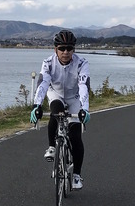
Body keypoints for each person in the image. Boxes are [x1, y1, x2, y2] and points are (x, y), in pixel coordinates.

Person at [30, 29, 90, 189]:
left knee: (76, 136)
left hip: (74, 97)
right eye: (62, 48)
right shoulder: (48, 63)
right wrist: (36, 105)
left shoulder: (82, 63)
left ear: (74, 50)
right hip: (55, 92)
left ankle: (76, 175)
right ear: (55, 49)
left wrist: (85, 109)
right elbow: (43, 84)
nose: (66, 52)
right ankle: (51, 147)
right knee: (55, 112)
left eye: (69, 48)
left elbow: (84, 86)